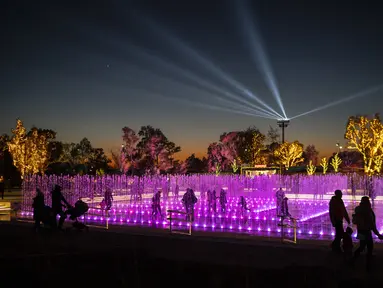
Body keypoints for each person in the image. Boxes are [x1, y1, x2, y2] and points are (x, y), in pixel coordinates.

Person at [353, 196, 383, 270]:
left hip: (360, 231)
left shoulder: (358, 209)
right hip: (367, 232)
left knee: (362, 246)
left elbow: (355, 221)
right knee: (370, 247)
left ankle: (353, 258)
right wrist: (378, 234)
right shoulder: (368, 211)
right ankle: (368, 265)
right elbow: (372, 224)